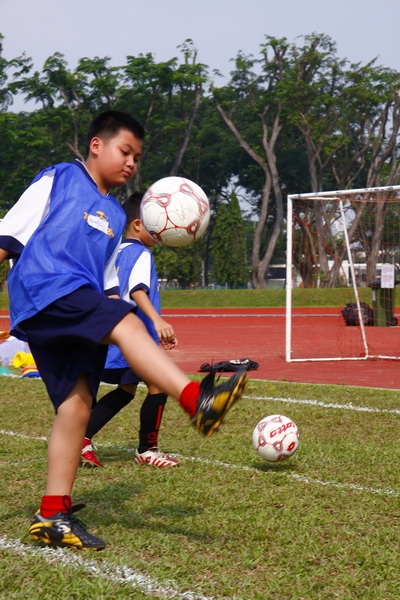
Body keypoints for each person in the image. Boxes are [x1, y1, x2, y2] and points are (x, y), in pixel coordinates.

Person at [0, 110, 248, 551]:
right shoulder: (61, 178)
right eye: (125, 151)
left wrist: (114, 310)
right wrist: (124, 320)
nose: (132, 162)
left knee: (77, 404)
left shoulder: (115, 214)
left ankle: (52, 515)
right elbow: (8, 236)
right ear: (96, 145)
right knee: (126, 322)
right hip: (47, 289)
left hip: (72, 304)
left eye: (137, 157)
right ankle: (197, 400)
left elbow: (109, 279)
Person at [81, 191, 179, 469]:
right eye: (154, 224)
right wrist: (157, 321)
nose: (160, 231)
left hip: (110, 335)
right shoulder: (141, 253)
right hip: (133, 337)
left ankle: (81, 437)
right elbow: (137, 290)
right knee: (159, 385)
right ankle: (148, 449)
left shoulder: (113, 252)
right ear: (137, 224)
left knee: (126, 389)